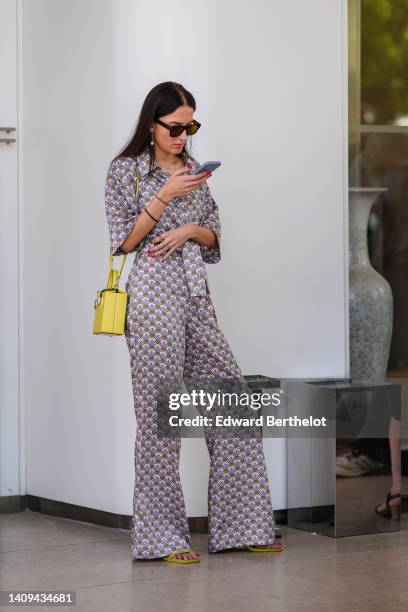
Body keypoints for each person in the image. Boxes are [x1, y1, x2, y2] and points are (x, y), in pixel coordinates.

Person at [104, 81, 283, 564]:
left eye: (191, 127)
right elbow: (123, 242)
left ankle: (243, 526)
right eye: (175, 127)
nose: (184, 136)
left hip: (195, 296)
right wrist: (164, 198)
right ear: (152, 125)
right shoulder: (125, 172)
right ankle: (162, 539)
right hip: (151, 297)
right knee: (161, 418)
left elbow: (213, 236)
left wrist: (188, 228)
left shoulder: (194, 173)